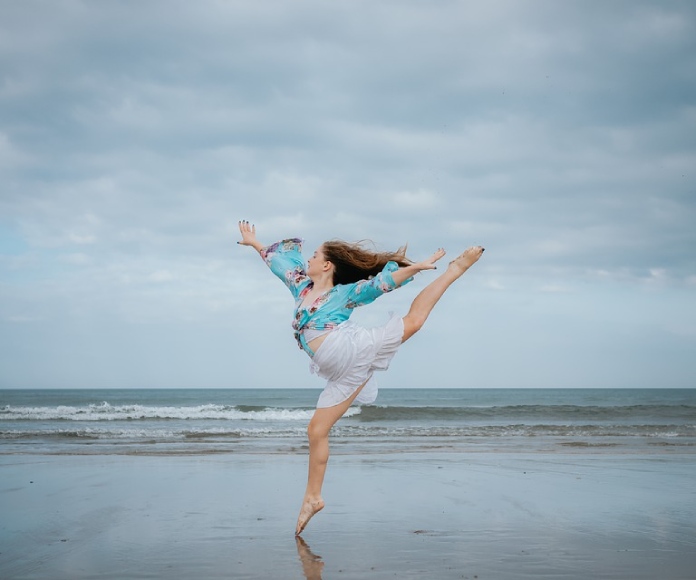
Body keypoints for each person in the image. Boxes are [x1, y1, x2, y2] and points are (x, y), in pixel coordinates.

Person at [237, 220, 484, 534]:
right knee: (315, 431)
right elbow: (278, 264)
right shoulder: (301, 286)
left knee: (414, 321)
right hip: (339, 375)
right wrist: (255, 242)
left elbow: (381, 284)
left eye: (314, 255)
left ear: (326, 265)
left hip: (354, 351)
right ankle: (313, 497)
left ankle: (454, 270)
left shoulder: (345, 294)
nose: (308, 259)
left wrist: (416, 268)